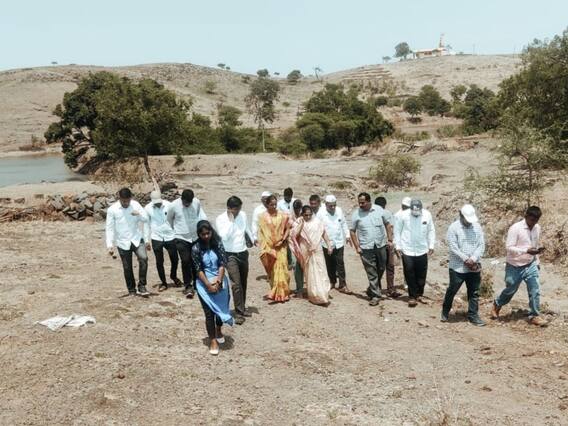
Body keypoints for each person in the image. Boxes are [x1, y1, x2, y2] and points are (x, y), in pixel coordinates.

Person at [491, 206, 548, 327]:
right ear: (526, 216)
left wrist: (537, 260)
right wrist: (526, 251)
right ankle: (497, 304)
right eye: (532, 220)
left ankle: (534, 315)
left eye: (536, 220)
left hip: (530, 264)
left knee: (535, 289)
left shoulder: (537, 228)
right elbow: (509, 247)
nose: (533, 223)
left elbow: (534, 245)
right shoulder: (515, 228)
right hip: (514, 265)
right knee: (511, 289)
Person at [191, 220, 234, 355]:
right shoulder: (196, 248)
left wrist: (219, 282)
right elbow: (198, 269)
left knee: (220, 309)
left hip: (219, 280)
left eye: (208, 233)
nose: (206, 236)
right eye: (203, 234)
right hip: (204, 283)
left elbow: (222, 263)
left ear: (211, 231)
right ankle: (213, 340)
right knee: (209, 313)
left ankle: (219, 329)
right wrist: (208, 285)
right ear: (199, 234)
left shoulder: (218, 243)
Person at [441, 204, 485, 326]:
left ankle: (473, 315)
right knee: (452, 290)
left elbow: (481, 244)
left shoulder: (477, 227)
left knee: (474, 292)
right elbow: (453, 246)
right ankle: (445, 311)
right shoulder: (453, 228)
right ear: (461, 216)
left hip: (474, 265)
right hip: (458, 266)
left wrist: (474, 258)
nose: (469, 222)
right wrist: (465, 259)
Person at [350, 192, 393, 306]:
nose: (360, 205)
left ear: (369, 201)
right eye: (359, 203)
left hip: (380, 245)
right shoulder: (356, 214)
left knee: (381, 267)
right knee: (371, 272)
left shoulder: (379, 210)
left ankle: (371, 288)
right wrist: (357, 247)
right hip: (366, 247)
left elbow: (388, 225)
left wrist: (390, 240)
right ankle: (375, 295)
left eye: (363, 203)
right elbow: (352, 231)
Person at [215, 196, 253, 325]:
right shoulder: (221, 219)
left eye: (239, 209)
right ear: (229, 208)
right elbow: (224, 237)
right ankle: (238, 312)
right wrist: (231, 221)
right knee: (236, 283)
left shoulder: (243, 215)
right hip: (229, 254)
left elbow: (246, 229)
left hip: (242, 252)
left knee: (243, 282)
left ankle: (242, 307)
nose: (238, 211)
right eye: (236, 209)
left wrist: (253, 239)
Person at [106, 187, 150, 296]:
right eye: (123, 201)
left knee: (144, 258)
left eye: (127, 201)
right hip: (122, 242)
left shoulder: (136, 205)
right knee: (127, 267)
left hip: (136, 238)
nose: (126, 203)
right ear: (119, 198)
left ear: (131, 198)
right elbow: (109, 228)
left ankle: (142, 285)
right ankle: (131, 290)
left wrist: (139, 214)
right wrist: (110, 244)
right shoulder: (112, 209)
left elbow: (146, 219)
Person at [394, 199, 436, 307]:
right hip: (407, 249)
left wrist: (431, 245)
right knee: (409, 272)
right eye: (413, 211)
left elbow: (431, 230)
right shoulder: (403, 215)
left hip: (422, 249)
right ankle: (412, 296)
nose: (416, 213)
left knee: (422, 273)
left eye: (418, 211)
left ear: (421, 209)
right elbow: (397, 231)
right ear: (410, 209)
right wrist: (398, 246)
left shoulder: (427, 215)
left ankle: (419, 294)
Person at [290, 205, 333, 305]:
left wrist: (329, 245)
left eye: (310, 215)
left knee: (321, 271)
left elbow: (324, 234)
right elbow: (293, 236)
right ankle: (314, 295)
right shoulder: (299, 223)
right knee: (311, 274)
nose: (308, 217)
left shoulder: (317, 222)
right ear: (302, 214)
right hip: (305, 251)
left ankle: (323, 295)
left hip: (317, 249)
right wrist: (301, 225)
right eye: (306, 215)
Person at [167, 189, 207, 298]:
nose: (187, 204)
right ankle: (188, 285)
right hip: (181, 237)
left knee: (195, 260)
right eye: (185, 202)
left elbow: (198, 214)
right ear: (182, 199)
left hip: (194, 236)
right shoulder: (173, 205)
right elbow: (169, 219)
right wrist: (177, 231)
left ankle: (197, 283)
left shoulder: (196, 202)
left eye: (189, 202)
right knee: (185, 261)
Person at [144, 191, 181, 292]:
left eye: (159, 202)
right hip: (156, 237)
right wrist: (146, 240)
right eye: (155, 203)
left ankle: (173, 275)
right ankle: (163, 282)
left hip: (170, 235)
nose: (158, 204)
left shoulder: (169, 206)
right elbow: (146, 225)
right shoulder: (147, 208)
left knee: (175, 259)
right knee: (159, 261)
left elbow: (176, 219)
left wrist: (178, 234)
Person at [258, 195, 291, 302]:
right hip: (270, 247)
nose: (274, 206)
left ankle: (284, 293)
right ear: (267, 204)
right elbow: (261, 233)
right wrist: (265, 246)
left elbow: (288, 228)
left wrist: (282, 240)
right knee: (273, 270)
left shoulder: (282, 215)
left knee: (283, 269)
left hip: (281, 247)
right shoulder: (262, 217)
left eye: (275, 204)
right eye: (271, 204)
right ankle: (275, 292)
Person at [320, 195, 351, 292]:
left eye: (334, 205)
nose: (333, 207)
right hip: (326, 243)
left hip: (339, 242)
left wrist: (347, 235)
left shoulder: (339, 210)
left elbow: (344, 223)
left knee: (340, 263)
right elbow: (318, 228)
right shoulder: (321, 213)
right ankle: (332, 282)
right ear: (326, 205)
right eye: (330, 206)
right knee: (329, 264)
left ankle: (342, 285)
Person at [374, 196, 401, 298]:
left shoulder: (372, 214)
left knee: (378, 267)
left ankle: (376, 288)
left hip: (377, 245)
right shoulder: (388, 213)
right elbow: (392, 228)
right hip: (388, 244)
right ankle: (390, 289)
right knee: (390, 267)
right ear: (385, 205)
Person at [288, 199, 305, 296]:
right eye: (296, 208)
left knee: (303, 266)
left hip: (303, 245)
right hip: (293, 245)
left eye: (299, 208)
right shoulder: (290, 217)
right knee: (296, 265)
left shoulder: (305, 216)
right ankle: (299, 289)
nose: (297, 210)